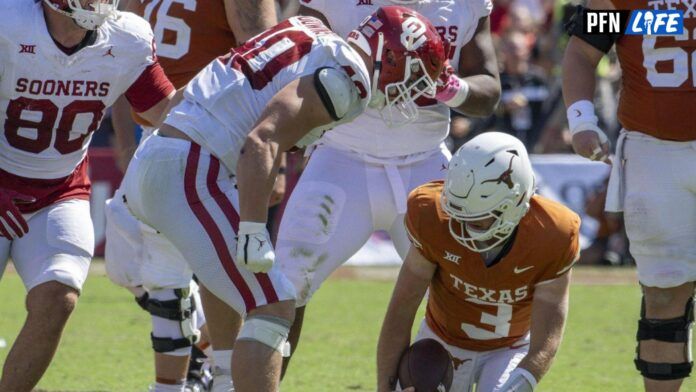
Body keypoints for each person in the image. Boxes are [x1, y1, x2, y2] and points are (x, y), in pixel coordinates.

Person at [120, 6, 447, 391]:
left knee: (227, 280)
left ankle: (225, 380)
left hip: (163, 153)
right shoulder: (349, 78)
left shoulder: (306, 28)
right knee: (274, 306)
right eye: (414, 75)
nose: (411, 90)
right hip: (190, 167)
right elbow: (264, 138)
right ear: (390, 56)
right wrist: (253, 228)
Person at [275, 0, 502, 375]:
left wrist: (449, 86)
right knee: (283, 287)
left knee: (466, 302)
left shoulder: (464, 3)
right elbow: (291, 60)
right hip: (341, 156)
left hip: (426, 163)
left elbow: (489, 89)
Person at [0, 1, 175, 390]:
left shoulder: (127, 37)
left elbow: (166, 110)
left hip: (60, 188)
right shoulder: (9, 22)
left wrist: (232, 105)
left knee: (59, 296)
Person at [104, 1, 278, 390]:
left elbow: (268, 57)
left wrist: (271, 157)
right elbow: (121, 52)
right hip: (158, 132)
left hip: (216, 134)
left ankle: (221, 374)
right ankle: (196, 351)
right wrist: (124, 135)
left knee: (214, 263)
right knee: (133, 262)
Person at [376, 132, 580, 392]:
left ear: (514, 204)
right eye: (457, 213)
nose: (462, 227)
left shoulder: (554, 232)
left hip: (509, 347)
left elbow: (545, 340)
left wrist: (523, 381)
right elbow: (402, 308)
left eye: (477, 219)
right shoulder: (432, 213)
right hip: (441, 343)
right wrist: (385, 387)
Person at [562, 0, 696, 389]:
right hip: (655, 153)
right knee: (664, 298)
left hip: (655, 155)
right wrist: (581, 120)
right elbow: (583, 50)